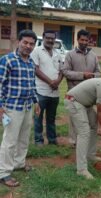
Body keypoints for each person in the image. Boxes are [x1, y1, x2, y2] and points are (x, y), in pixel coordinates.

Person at [0, 30, 40, 187]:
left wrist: (36, 102)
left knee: (24, 138)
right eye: (25, 42)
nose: (28, 46)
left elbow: (32, 85)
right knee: (10, 141)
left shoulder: (30, 62)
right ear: (19, 42)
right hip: (12, 107)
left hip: (27, 106)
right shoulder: (7, 60)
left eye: (31, 44)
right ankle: (3, 172)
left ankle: (19, 163)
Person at [62, 29, 101, 151]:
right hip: (74, 93)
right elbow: (65, 72)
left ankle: (86, 140)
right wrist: (82, 75)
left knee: (89, 118)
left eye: (86, 40)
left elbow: (99, 72)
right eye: (82, 40)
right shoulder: (70, 54)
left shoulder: (93, 55)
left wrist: (92, 77)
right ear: (77, 40)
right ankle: (74, 142)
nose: (84, 42)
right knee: (75, 119)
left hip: (89, 95)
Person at [31, 30, 63, 146]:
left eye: (52, 38)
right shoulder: (36, 51)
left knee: (51, 118)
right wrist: (50, 82)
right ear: (43, 38)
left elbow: (61, 71)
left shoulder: (57, 53)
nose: (50, 40)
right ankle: (39, 141)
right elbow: (35, 69)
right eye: (48, 38)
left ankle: (52, 140)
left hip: (55, 93)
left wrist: (57, 82)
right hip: (41, 91)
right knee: (38, 117)